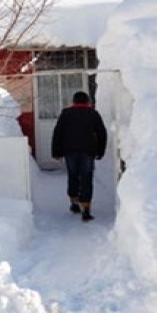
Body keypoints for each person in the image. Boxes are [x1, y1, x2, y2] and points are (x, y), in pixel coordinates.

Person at [51, 91, 107, 222]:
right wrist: (100, 150)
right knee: (87, 177)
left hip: (70, 150)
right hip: (88, 151)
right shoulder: (93, 114)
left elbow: (58, 132)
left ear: (74, 101)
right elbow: (102, 133)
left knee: (73, 175)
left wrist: (56, 152)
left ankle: (74, 203)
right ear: (87, 101)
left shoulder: (66, 114)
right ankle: (86, 209)